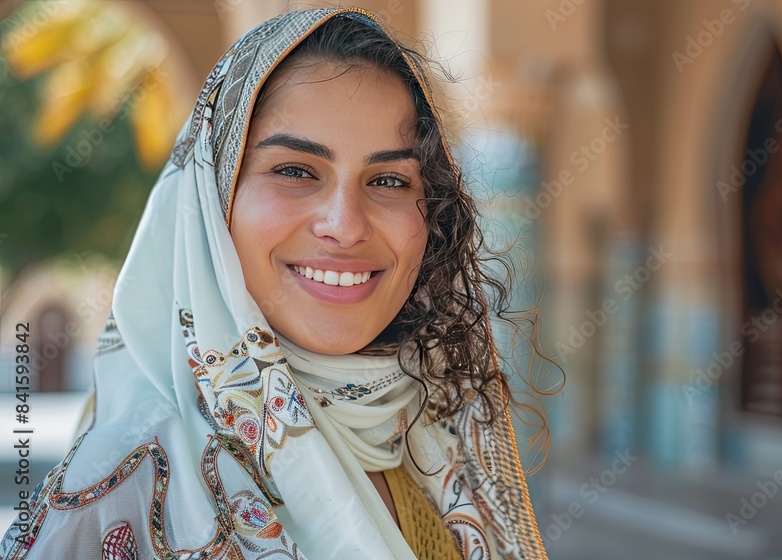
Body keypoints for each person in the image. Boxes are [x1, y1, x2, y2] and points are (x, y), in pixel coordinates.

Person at [0, 7, 548, 560]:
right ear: (210, 206)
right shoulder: (122, 496)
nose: (345, 225)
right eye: (295, 171)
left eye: (387, 179)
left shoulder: (434, 448)